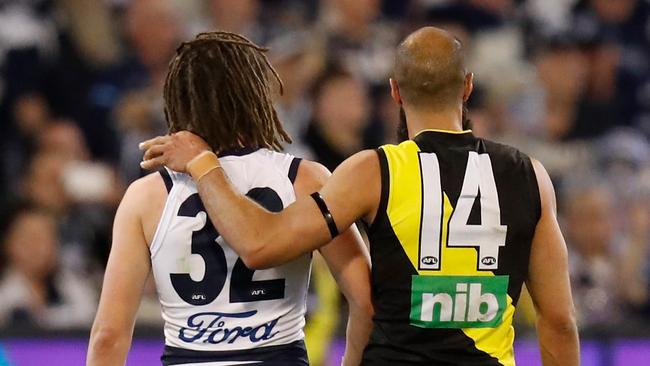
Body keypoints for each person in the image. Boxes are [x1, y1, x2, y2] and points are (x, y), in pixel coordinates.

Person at [142, 26, 580, 365]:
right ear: (467, 87)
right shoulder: (530, 175)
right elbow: (558, 320)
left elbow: (261, 244)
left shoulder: (373, 171)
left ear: (393, 91)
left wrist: (204, 164)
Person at [87, 31, 373, 366]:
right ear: (257, 97)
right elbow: (366, 301)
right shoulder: (304, 179)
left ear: (178, 101)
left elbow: (108, 335)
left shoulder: (146, 195)